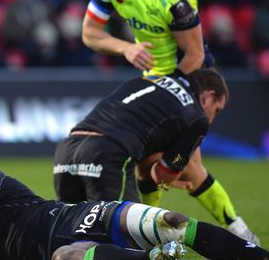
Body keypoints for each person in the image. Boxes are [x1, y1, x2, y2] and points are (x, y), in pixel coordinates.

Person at [81, 0, 258, 243]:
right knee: (154, 168)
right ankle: (154, 232)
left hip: (193, 80)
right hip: (154, 79)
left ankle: (238, 233)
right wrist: (126, 47)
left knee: (185, 170)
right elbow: (89, 34)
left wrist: (165, 92)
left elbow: (194, 55)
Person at [0, 166, 269, 260]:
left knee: (172, 223)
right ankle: (152, 259)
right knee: (68, 257)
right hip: (57, 251)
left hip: (79, 216)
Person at [53, 69, 225, 204]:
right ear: (208, 97)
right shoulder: (197, 119)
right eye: (217, 110)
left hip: (67, 149)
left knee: (69, 231)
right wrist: (171, 178)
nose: (212, 118)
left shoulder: (146, 80)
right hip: (106, 153)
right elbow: (164, 174)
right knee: (125, 237)